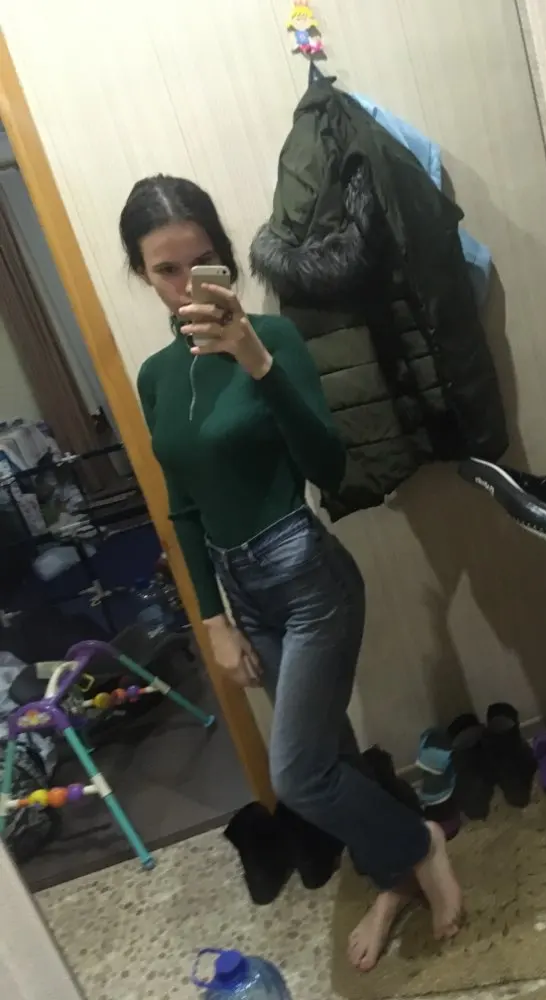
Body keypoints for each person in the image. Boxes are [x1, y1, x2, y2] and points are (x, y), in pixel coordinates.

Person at [120, 175, 463, 970]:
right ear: (142, 274)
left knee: (299, 775)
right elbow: (183, 509)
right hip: (243, 592)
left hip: (308, 578)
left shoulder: (272, 337)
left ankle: (421, 844)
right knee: (329, 755)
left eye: (202, 261)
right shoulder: (156, 378)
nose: (187, 283)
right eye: (166, 269)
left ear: (225, 256)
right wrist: (213, 620)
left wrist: (258, 363)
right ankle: (393, 878)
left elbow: (329, 467)